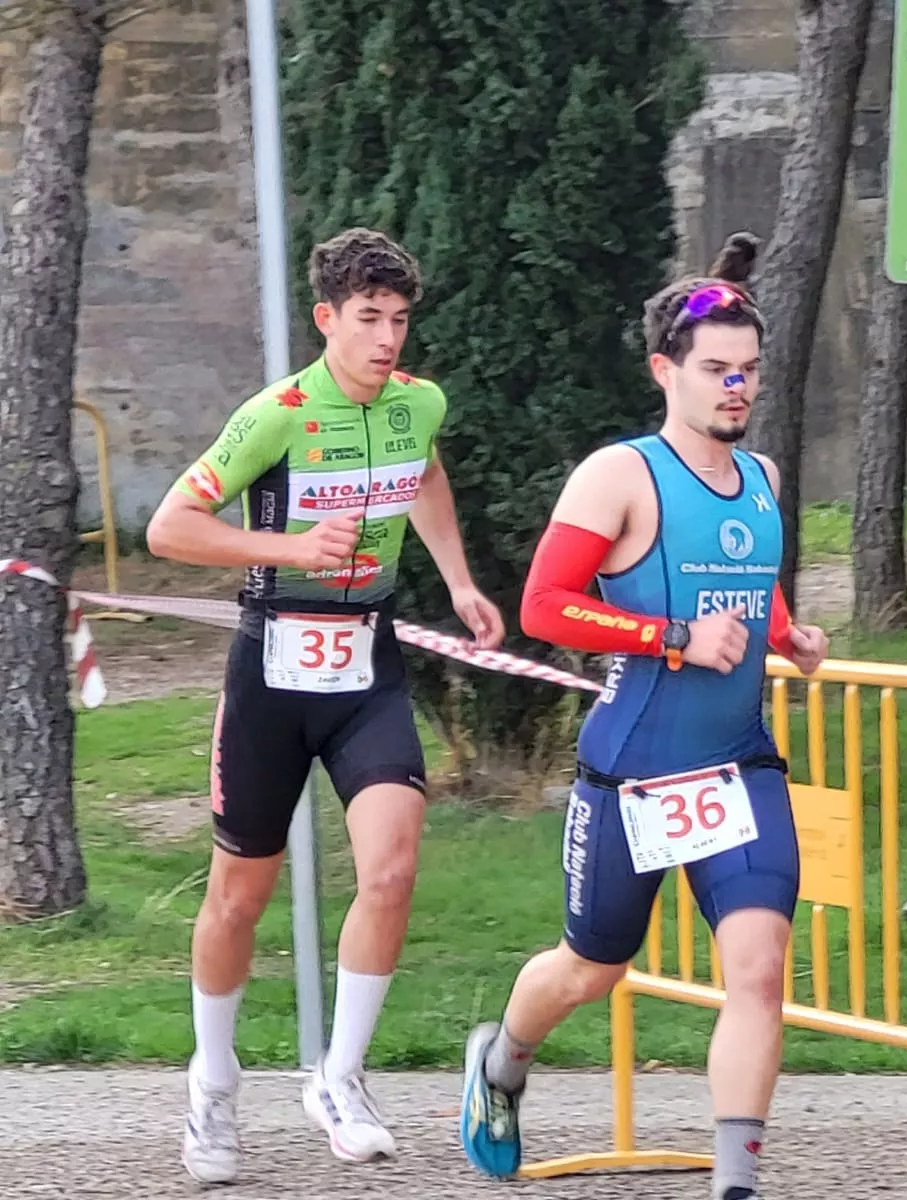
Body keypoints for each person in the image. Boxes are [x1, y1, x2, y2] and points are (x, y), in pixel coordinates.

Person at [456, 231, 828, 1199]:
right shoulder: (617, 476)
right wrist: (670, 639)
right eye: (716, 371)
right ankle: (499, 1064)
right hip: (632, 777)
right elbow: (544, 607)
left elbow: (748, 583)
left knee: (756, 969)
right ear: (667, 373)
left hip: (738, 769)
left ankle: (735, 1183)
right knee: (591, 969)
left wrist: (786, 635)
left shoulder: (766, 479)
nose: (737, 389)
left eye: (748, 372)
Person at [146, 227, 505, 1184]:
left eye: (399, 320)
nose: (387, 339)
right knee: (240, 894)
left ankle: (339, 1076)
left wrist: (460, 583)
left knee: (391, 870)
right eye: (369, 320)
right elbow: (170, 527)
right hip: (272, 668)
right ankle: (213, 1086)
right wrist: (292, 551)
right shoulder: (279, 414)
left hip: (366, 668)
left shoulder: (417, 404)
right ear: (326, 320)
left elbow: (424, 471)